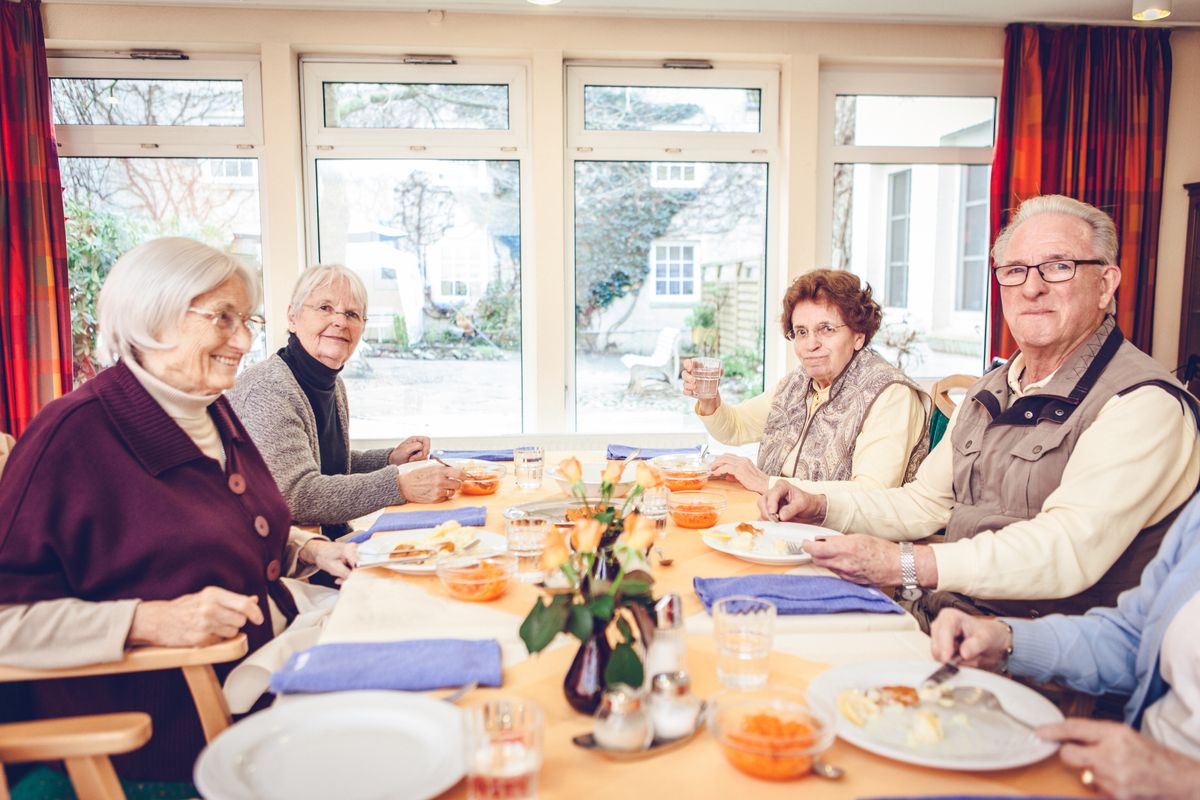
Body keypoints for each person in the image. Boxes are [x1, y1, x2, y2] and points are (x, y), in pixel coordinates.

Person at [0, 238, 356, 781]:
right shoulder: (72, 437)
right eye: (223, 319)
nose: (244, 339)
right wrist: (146, 621)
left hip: (269, 666)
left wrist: (305, 548)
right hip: (174, 732)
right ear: (154, 317)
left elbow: (220, 524)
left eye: (247, 319)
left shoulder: (208, 410)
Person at [760, 195, 1200, 628]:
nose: (1032, 287)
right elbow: (923, 503)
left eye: (1059, 266)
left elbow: (1067, 550)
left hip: (1041, 661)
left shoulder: (1143, 403)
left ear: (1104, 285)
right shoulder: (990, 390)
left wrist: (907, 564)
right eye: (1015, 271)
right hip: (942, 618)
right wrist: (818, 505)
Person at [929, 491, 1200, 800]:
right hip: (1115, 779)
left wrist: (1184, 781)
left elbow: (1065, 543)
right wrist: (1007, 639)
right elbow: (1132, 636)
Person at [228, 265, 463, 539]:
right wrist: (398, 485)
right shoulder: (268, 388)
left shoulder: (332, 382)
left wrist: (390, 459)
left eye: (352, 314)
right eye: (325, 308)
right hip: (287, 562)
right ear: (293, 317)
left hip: (331, 544)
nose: (340, 322)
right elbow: (296, 496)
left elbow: (322, 462)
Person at [681, 269, 929, 494]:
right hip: (784, 520)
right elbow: (735, 427)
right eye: (801, 332)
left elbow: (871, 494)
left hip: (838, 538)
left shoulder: (890, 394)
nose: (811, 345)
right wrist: (709, 398)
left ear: (858, 337)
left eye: (827, 329)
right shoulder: (799, 382)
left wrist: (765, 482)